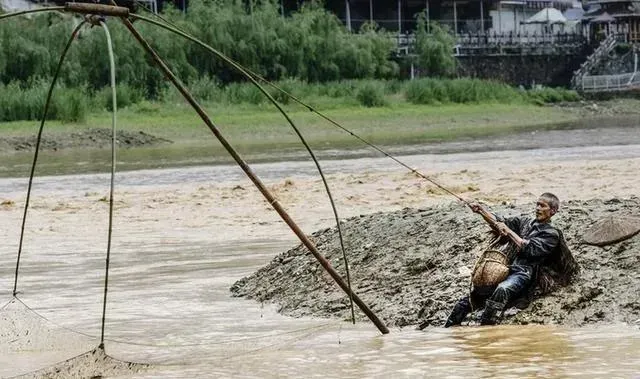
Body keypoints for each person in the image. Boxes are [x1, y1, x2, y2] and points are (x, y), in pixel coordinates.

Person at [444, 192, 579, 327]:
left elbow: (530, 249)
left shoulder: (551, 234)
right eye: (537, 204)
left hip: (524, 273)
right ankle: (449, 327)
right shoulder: (525, 222)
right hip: (507, 268)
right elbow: (501, 222)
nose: (538, 208)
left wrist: (509, 232)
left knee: (502, 289)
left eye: (542, 206)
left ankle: (487, 327)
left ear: (553, 211)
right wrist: (481, 211)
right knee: (468, 299)